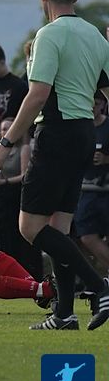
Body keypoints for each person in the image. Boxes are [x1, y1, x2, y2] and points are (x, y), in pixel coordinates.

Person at [0, 0, 109, 331]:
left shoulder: (49, 35)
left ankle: (100, 287)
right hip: (84, 134)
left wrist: (7, 141)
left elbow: (38, 94)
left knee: (30, 227)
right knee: (59, 227)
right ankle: (64, 314)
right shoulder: (95, 36)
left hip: (56, 133)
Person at [0, 118, 41, 280]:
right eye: (3, 129)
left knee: (22, 241)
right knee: (2, 237)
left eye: (9, 129)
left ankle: (30, 278)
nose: (6, 132)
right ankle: (8, 277)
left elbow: (25, 175)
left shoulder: (24, 149)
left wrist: (4, 182)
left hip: (16, 197)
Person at [72, 92, 109, 274]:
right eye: (89, 103)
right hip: (85, 190)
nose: (92, 107)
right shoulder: (79, 127)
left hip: (105, 189)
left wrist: (106, 159)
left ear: (102, 104)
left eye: (96, 103)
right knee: (86, 236)